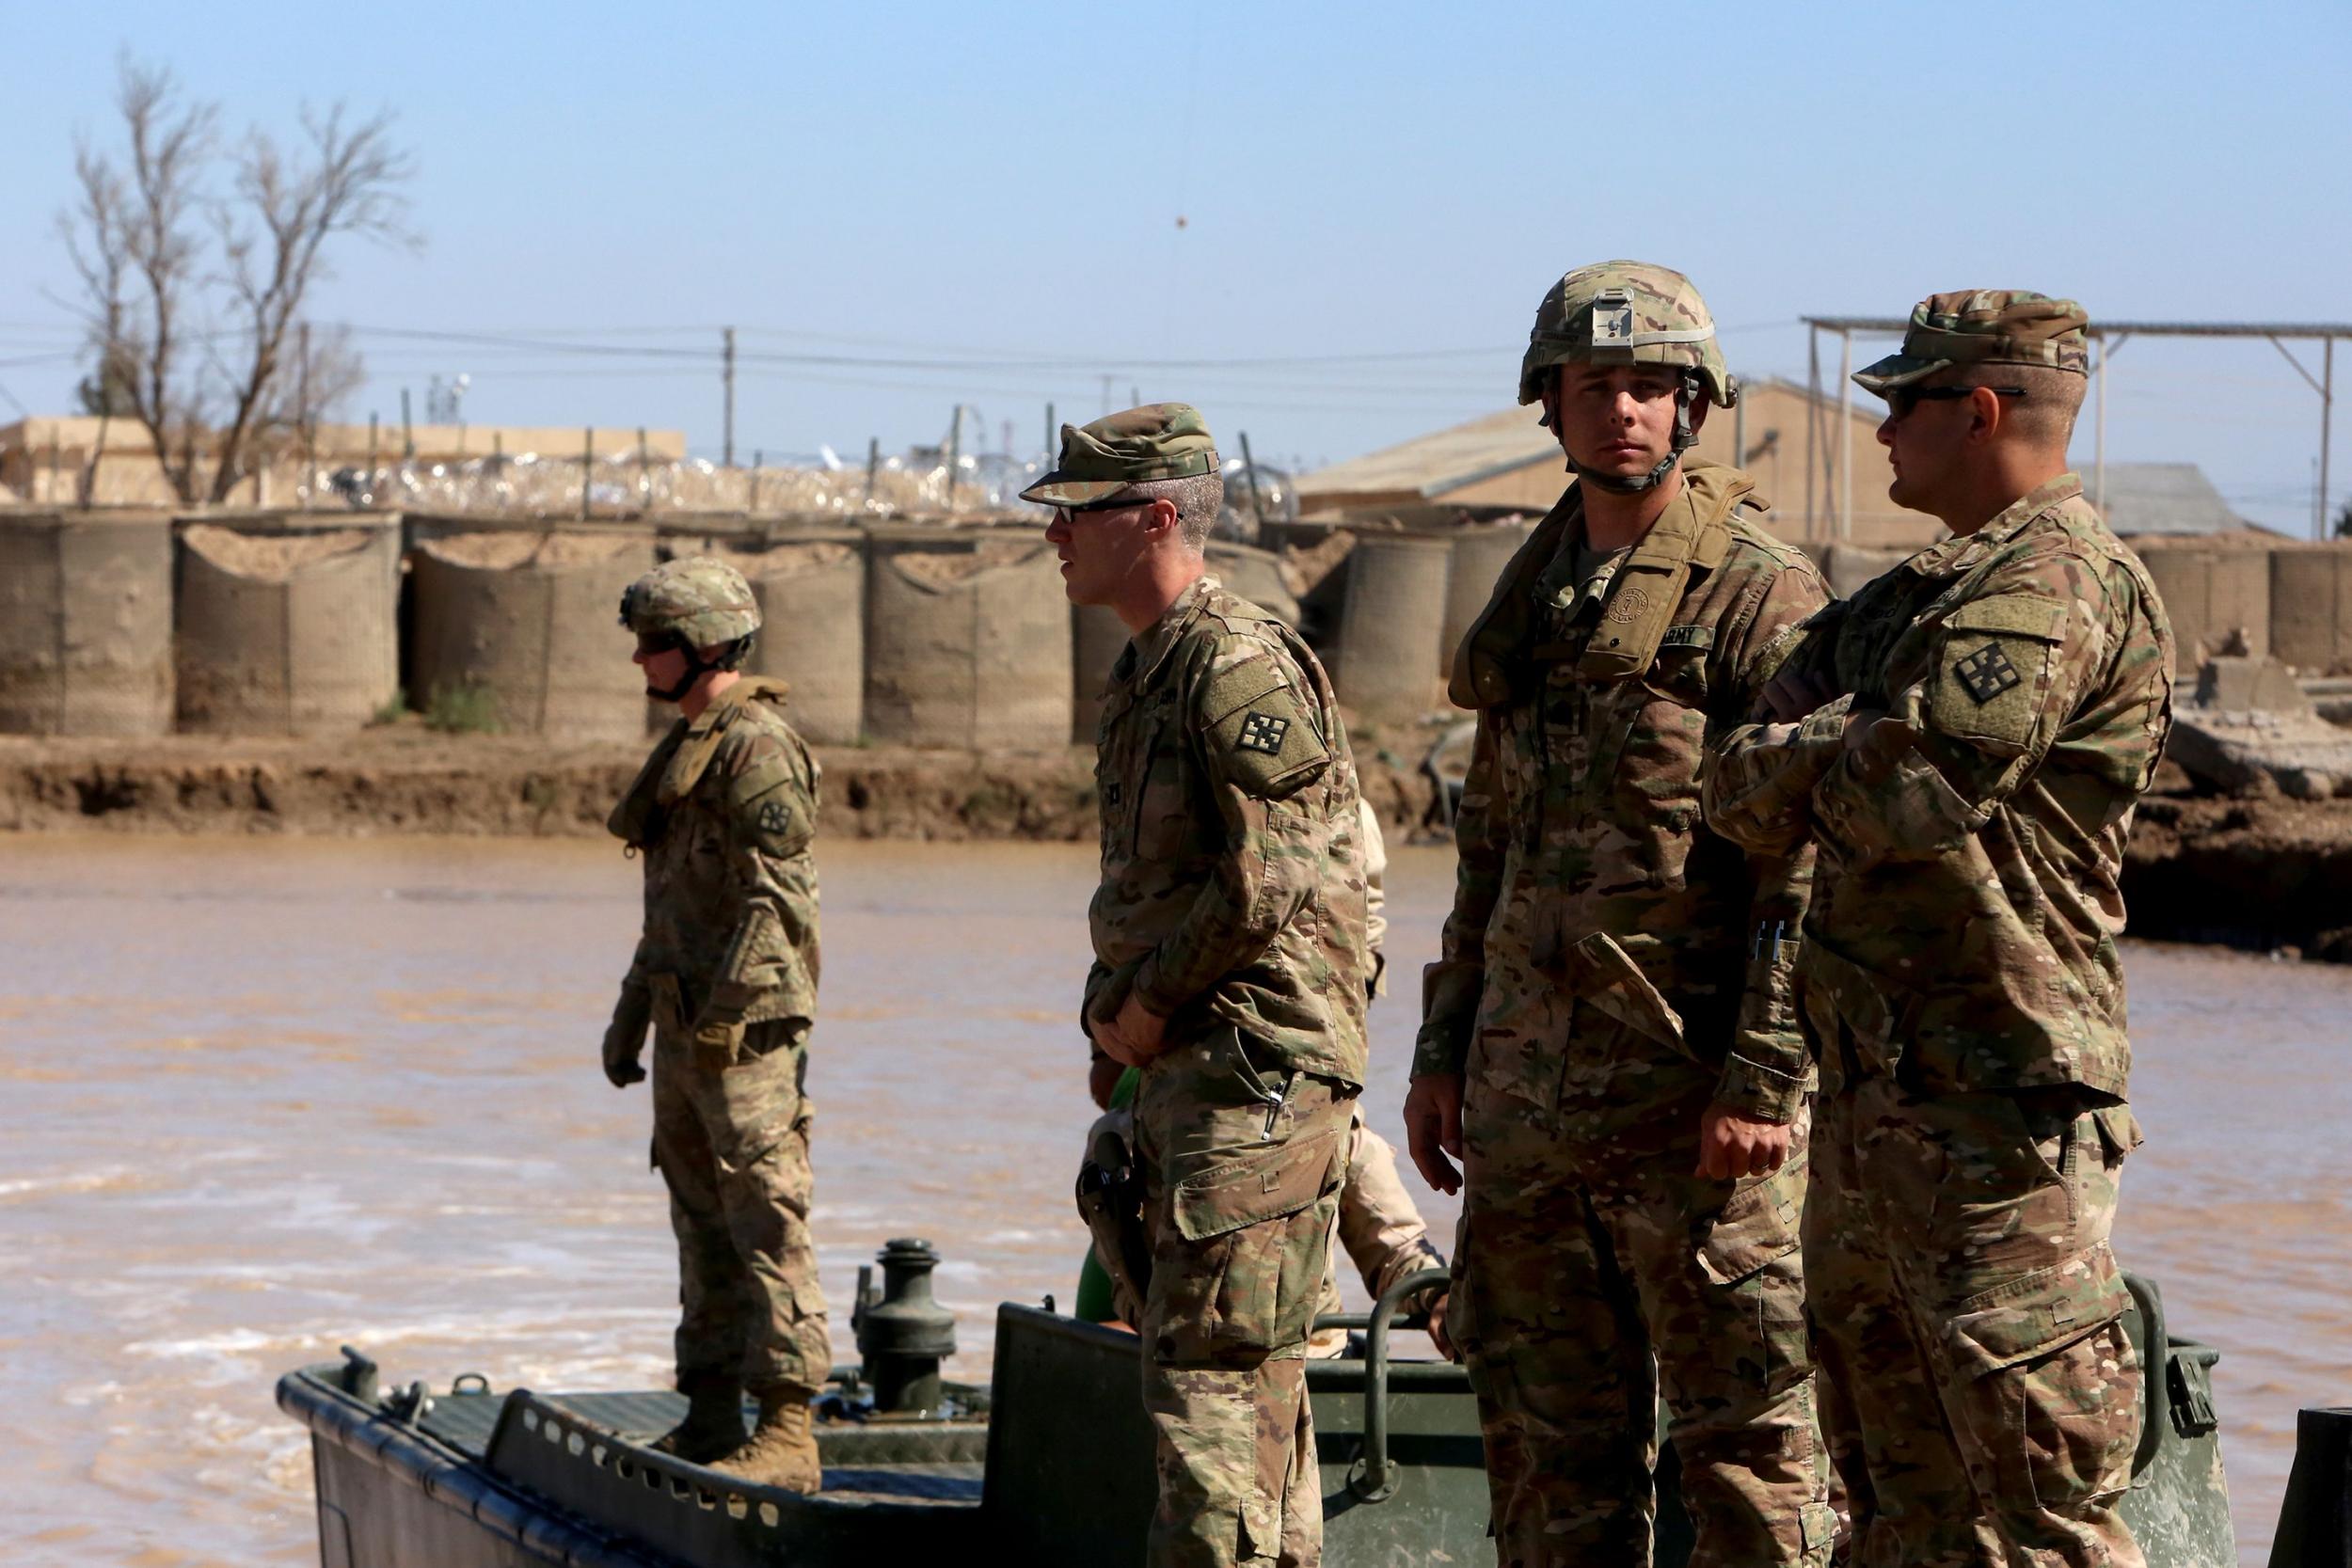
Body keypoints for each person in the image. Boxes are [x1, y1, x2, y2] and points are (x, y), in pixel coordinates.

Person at [1703, 291, 2174, 1568]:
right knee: (1897, 1510)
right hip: (1876, 1102)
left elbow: (1912, 785)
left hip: (1998, 1112)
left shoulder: (2056, 579)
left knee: (2040, 1513)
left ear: (1979, 410)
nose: (1879, 431)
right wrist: (1831, 739)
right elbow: (1732, 777)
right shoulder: (1907, 597)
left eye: (1901, 403)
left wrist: (1827, 744)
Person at [1401, 261, 1837, 1565]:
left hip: (1692, 1114)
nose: (1625, 413)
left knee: (1750, 1458)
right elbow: (1492, 845)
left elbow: (1803, 860)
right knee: (1544, 1458)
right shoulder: (1534, 596)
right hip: (1529, 1109)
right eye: (1596, 387)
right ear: (1550, 404)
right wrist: (1443, 1049)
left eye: (1653, 386)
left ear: (1695, 404)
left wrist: (1763, 1075)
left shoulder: (1758, 591)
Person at [1029, 403, 1372, 1568]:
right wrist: (1110, 1017)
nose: (1056, 536)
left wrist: (1149, 1005)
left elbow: (1270, 877)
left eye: (1077, 513)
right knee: (1245, 1402)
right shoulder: (1146, 667)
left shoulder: (1231, 661)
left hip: (1249, 1073)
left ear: (1157, 518)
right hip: (1194, 1066)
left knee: (1212, 1399)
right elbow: (1150, 876)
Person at [599, 557, 830, 1493]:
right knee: (699, 1219)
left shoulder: (755, 744)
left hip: (741, 1033)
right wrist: (631, 1016)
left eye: (652, 644)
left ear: (700, 646)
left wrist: (725, 1021)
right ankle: (709, 1408)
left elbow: (779, 904)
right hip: (685, 1022)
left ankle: (787, 1422)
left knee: (764, 1213)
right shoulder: (694, 740)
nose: (639, 661)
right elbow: (673, 911)